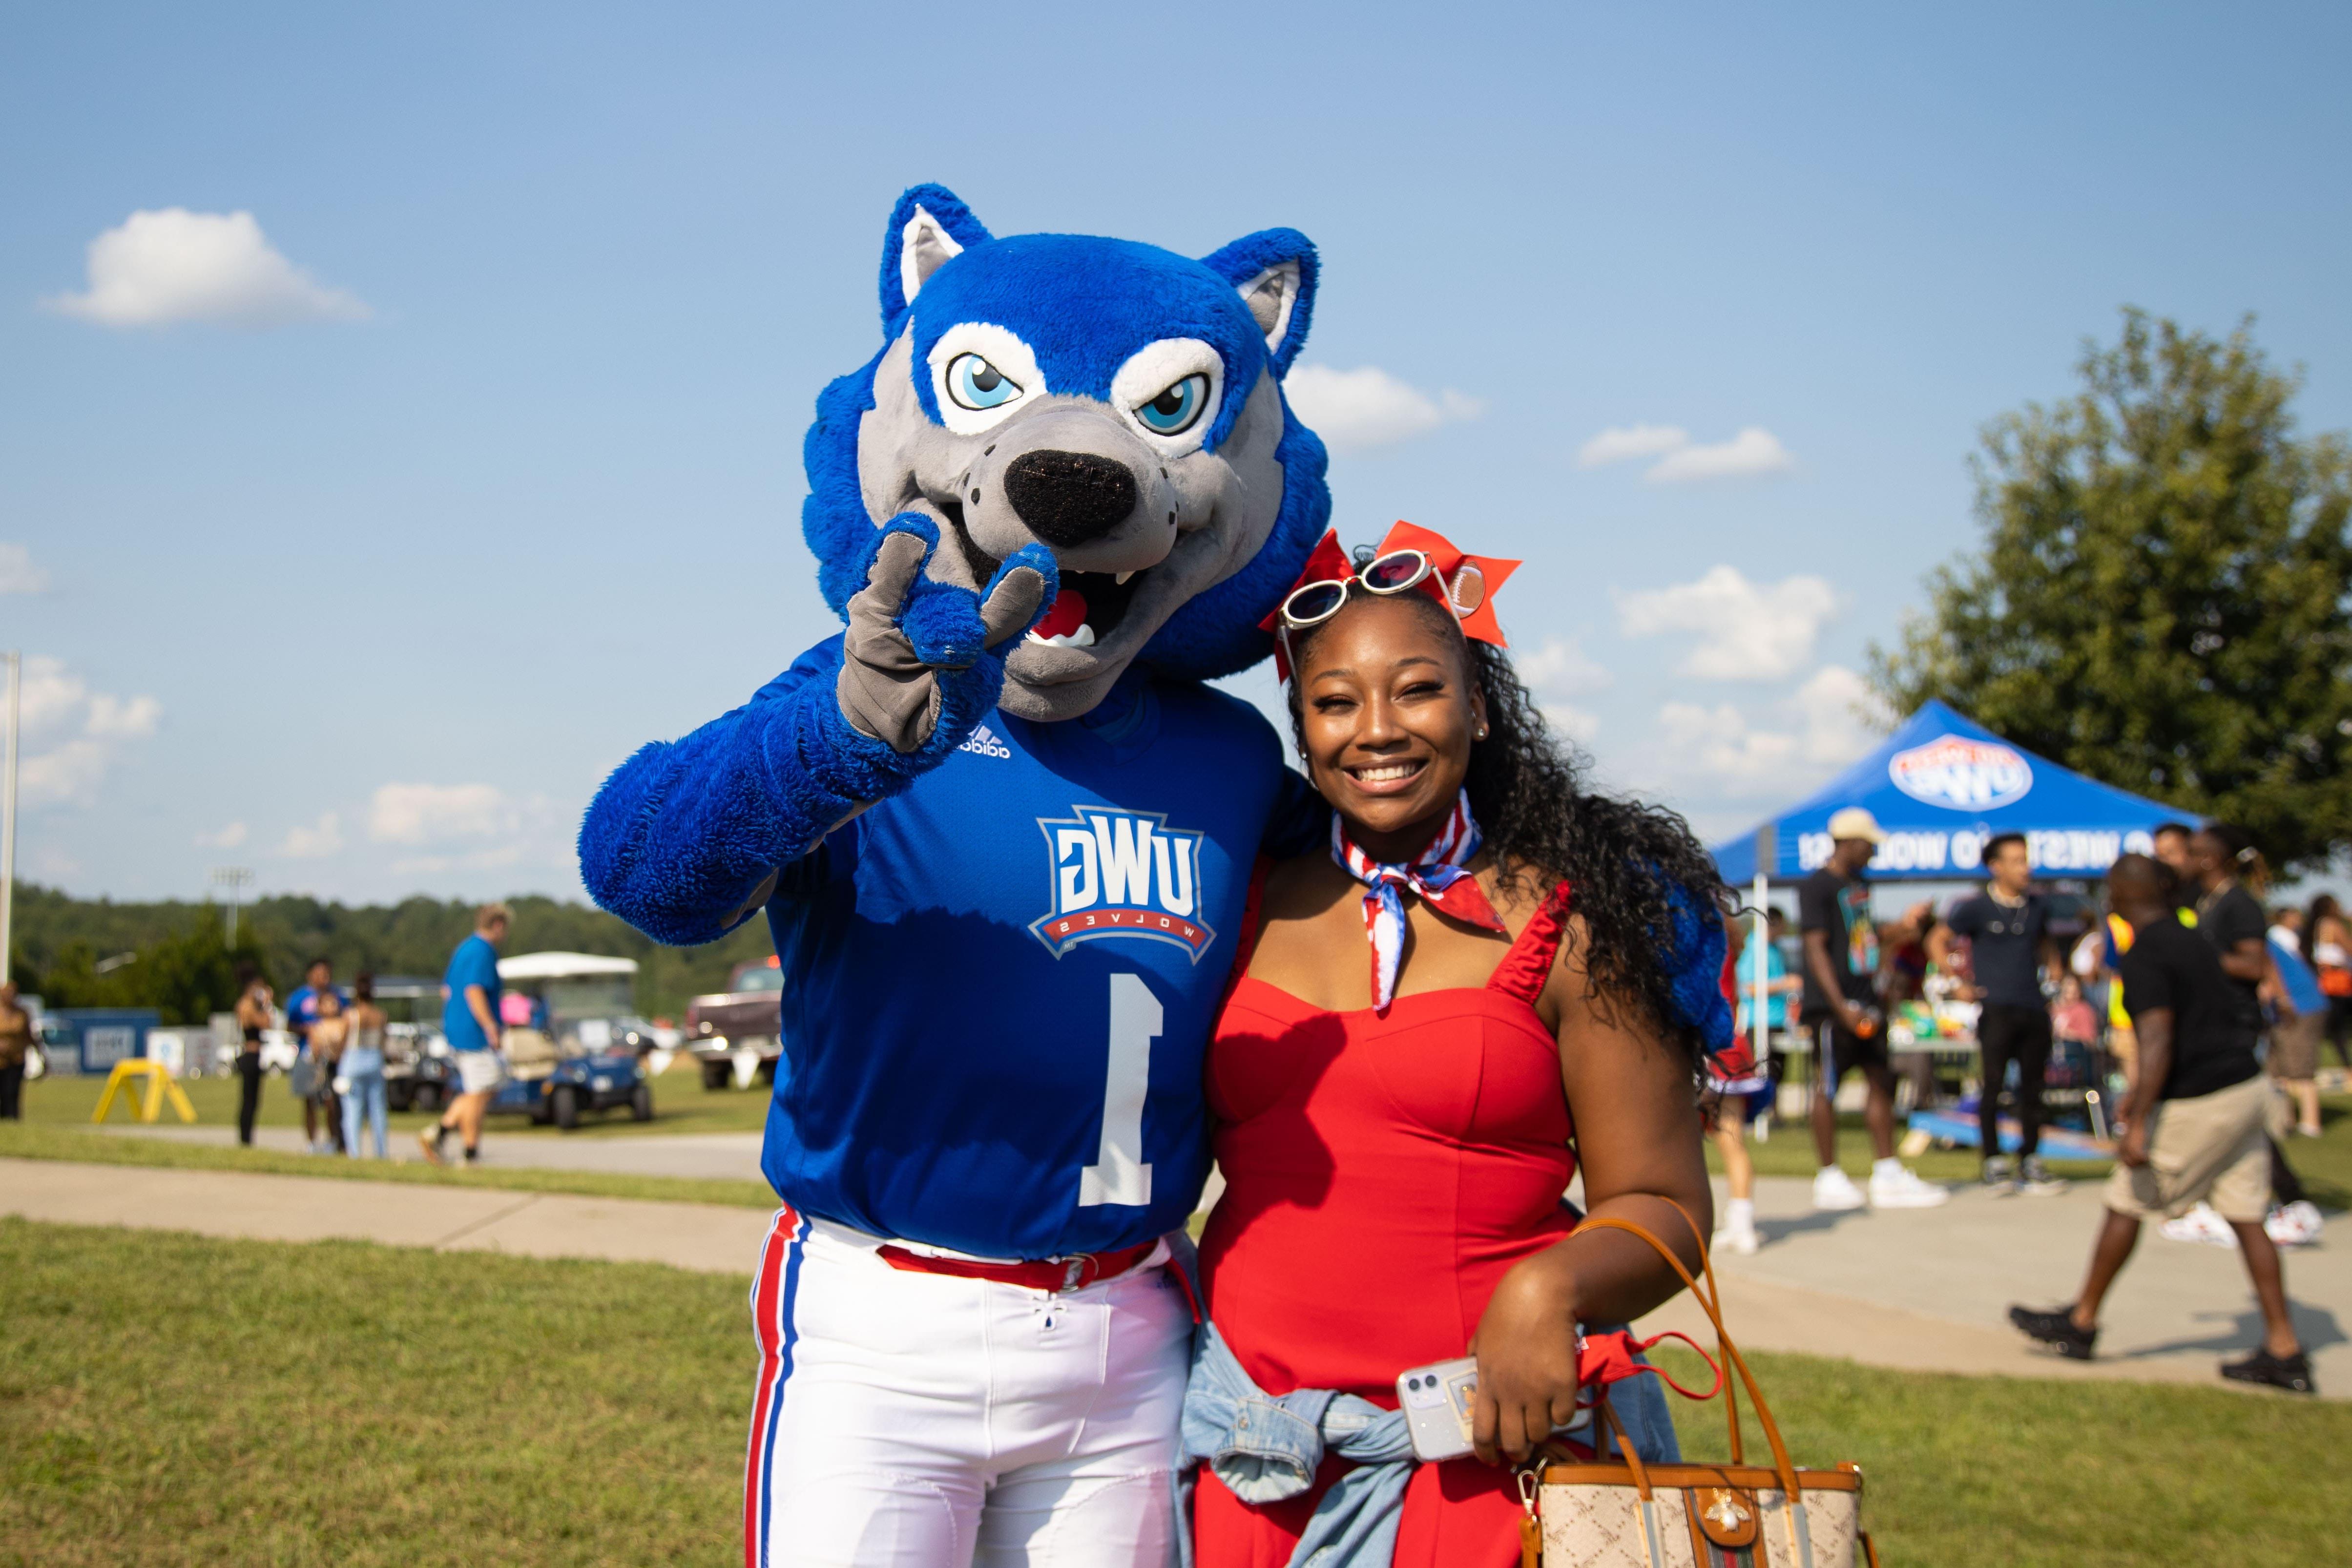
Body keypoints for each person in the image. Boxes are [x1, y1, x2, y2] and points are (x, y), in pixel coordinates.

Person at [1192, 529, 1723, 1567]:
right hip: (1250, 1456)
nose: (1376, 730)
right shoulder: (1241, 898)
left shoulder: (1572, 920)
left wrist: (1548, 1289)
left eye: (1417, 691)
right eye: (1335, 702)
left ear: (1477, 708)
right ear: (1301, 729)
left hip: (1487, 1459)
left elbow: (1667, 1208)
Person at [2010, 855, 2313, 1394]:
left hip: (2202, 1097)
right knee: (2246, 1215)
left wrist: (2139, 1119)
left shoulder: (2146, 951)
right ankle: (2284, 1349)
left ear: (2116, 895)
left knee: (2126, 1198)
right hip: (2245, 1086)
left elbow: (2156, 1038)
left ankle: (2080, 1322)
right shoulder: (2188, 934)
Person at [1799, 807, 1948, 1211]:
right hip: (1832, 1007)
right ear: (1850, 842)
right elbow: (1815, 948)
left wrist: (1907, 926)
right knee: (1826, 1085)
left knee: (1881, 1079)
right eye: (1868, 845)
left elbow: (1865, 939)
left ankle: (1887, 1172)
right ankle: (1828, 1174)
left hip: (1867, 999)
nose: (1873, 854)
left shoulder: (1859, 885)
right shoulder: (1817, 886)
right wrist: (1839, 1005)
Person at [1930, 832, 2064, 1194]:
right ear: (1996, 866)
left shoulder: (2037, 906)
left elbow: (2046, 944)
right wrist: (1956, 980)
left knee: (2034, 1087)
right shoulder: (1974, 907)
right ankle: (1992, 1159)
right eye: (2017, 860)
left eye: (2026, 859)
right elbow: (1936, 939)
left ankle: (2030, 1158)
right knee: (1993, 1084)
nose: (2026, 867)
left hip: (2033, 1005)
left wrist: (2056, 972)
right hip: (1995, 1007)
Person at [1711, 910, 1793, 1254]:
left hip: (1710, 1046)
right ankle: (1739, 1220)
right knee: (1729, 1140)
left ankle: (1739, 1221)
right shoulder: (1731, 941)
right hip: (1724, 1045)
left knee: (1726, 1140)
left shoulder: (1703, 941)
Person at [421, 904, 508, 1166]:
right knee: (481, 1089)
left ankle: (469, 1149)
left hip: (456, 1028)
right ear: (498, 925)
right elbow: (474, 991)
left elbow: (447, 991)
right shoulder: (483, 951)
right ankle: (442, 1133)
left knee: (479, 1089)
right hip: (474, 1032)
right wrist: (490, 1026)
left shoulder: (463, 949)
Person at [283, 957, 343, 1153]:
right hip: (307, 1055)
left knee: (331, 1101)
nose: (323, 978)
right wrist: (307, 1030)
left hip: (332, 1058)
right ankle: (312, 1142)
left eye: (326, 974)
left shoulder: (338, 996)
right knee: (309, 1100)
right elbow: (289, 1025)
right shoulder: (299, 997)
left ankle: (334, 1141)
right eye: (319, 974)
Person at [338, 975, 391, 1159]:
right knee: (378, 1111)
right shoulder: (381, 1015)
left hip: (353, 1060)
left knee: (353, 1111)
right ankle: (381, 1152)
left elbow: (344, 1040)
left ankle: (354, 1152)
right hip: (375, 1060)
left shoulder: (351, 1014)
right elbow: (384, 1042)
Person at [2307, 893, 2352, 1071]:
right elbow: (2349, 948)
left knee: (2334, 1027)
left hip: (2323, 979)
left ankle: (2347, 1066)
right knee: (2338, 1026)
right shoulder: (2332, 924)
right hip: (2337, 980)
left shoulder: (2315, 926)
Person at [232, 964, 272, 1147]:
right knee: (249, 1100)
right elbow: (266, 1023)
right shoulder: (247, 1005)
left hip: (254, 1054)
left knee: (252, 1100)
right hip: (251, 1055)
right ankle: (245, 1138)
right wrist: (267, 1004)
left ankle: (247, 1137)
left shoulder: (246, 1004)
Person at [0, 982, 30, 1120]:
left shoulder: (22, 1014)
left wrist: (42, 1055)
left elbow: (29, 1035)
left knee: (12, 1092)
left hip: (17, 1059)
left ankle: (12, 1119)